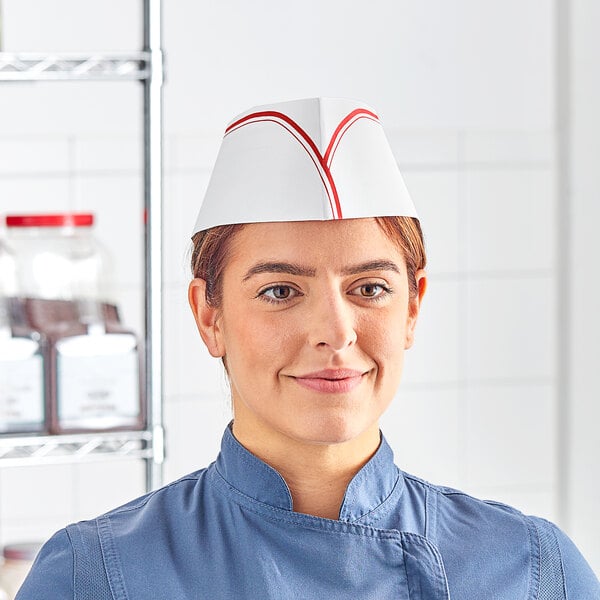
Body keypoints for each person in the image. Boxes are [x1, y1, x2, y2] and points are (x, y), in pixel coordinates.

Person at [17, 98, 600, 599]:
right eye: (280, 291)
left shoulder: (531, 569)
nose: (336, 331)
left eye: (369, 288)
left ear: (412, 309)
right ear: (209, 315)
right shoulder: (98, 576)